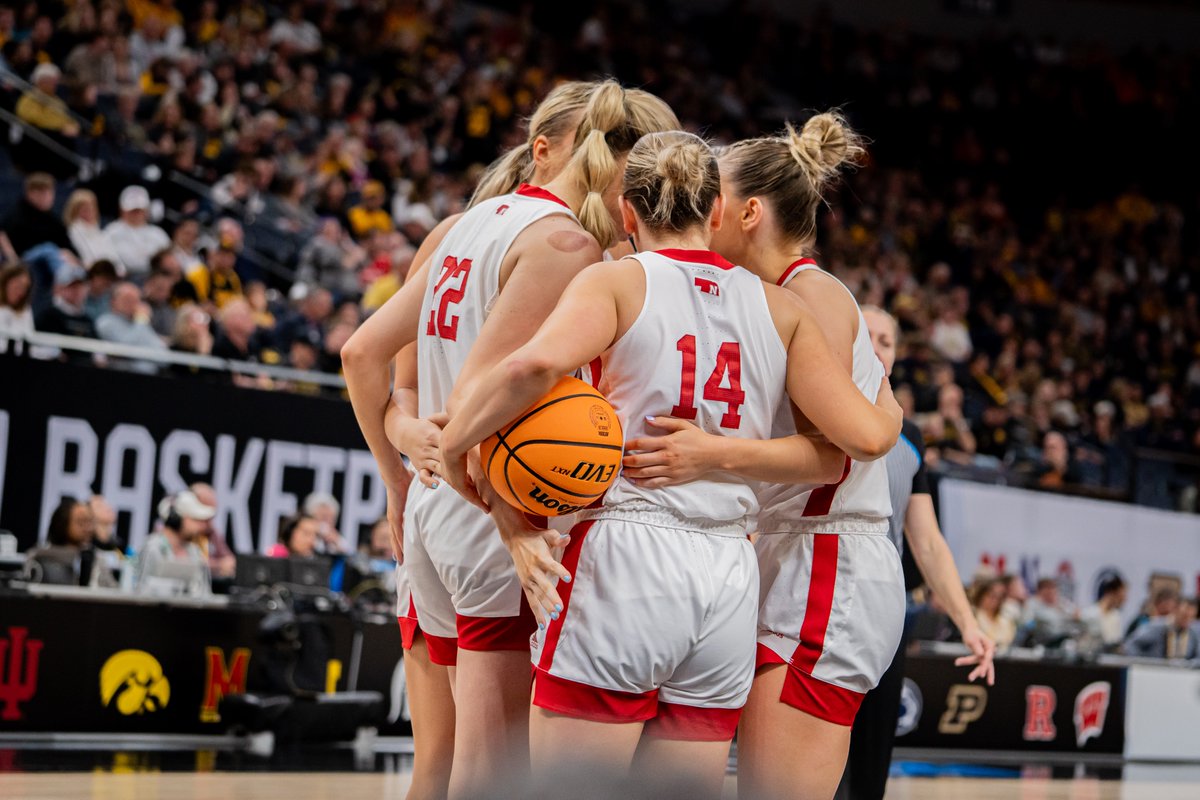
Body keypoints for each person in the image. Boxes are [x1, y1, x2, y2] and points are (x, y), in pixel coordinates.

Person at [437, 131, 901, 797]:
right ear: (715, 212)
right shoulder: (780, 307)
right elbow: (840, 448)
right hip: (729, 572)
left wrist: (457, 441)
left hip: (628, 549)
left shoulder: (618, 279)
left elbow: (531, 366)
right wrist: (891, 410)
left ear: (627, 213)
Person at [344, 80, 679, 800]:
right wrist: (513, 525)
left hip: (441, 513)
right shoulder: (567, 246)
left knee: (445, 770)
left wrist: (399, 483)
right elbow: (478, 397)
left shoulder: (468, 224)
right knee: (491, 776)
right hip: (495, 510)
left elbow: (359, 355)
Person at [616, 115, 919, 800]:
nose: (702, 208)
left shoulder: (809, 294)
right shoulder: (760, 297)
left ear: (748, 211)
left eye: (713, 194)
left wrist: (710, 455)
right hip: (788, 552)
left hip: (828, 559)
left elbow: (847, 449)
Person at [837, 306, 995, 800]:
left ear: (896, 354)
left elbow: (926, 542)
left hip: (884, 615)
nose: (877, 345)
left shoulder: (910, 435)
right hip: (816, 596)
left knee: (868, 770)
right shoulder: (813, 402)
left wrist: (969, 623)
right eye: (866, 334)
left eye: (887, 339)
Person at [136, 491, 214, 595]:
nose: (201, 527)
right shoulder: (152, 548)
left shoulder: (195, 552)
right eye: (195, 520)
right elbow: (141, 592)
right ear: (176, 519)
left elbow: (205, 595)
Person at [104, 186, 171, 278]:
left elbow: (168, 258)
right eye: (132, 210)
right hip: (124, 278)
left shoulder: (158, 234)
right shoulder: (111, 232)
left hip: (154, 277)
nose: (136, 214)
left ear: (146, 210)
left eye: (139, 210)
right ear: (122, 210)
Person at [0, 172, 73, 258]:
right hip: (27, 263)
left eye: (49, 193)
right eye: (42, 193)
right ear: (30, 194)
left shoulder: (53, 220)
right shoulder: (16, 217)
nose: (47, 197)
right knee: (48, 249)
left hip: (57, 263)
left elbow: (66, 245)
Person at [1124, 597, 1200, 660]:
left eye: (1191, 617)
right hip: (1153, 672)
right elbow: (1130, 645)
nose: (1187, 621)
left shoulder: (1193, 633)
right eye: (1184, 616)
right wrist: (1142, 663)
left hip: (1181, 674)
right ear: (1175, 610)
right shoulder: (1156, 627)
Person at [35, 263, 97, 339]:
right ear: (58, 288)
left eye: (81, 286)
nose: (78, 291)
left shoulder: (87, 319)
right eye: (72, 286)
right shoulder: (48, 316)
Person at [63, 189, 120, 268]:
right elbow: (88, 257)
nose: (90, 212)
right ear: (75, 211)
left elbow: (111, 254)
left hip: (110, 270)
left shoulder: (98, 230)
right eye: (85, 209)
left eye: (92, 207)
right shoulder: (76, 229)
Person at [1080, 574, 1128, 651]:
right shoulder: (1090, 614)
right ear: (1111, 593)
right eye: (1120, 596)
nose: (1123, 601)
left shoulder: (1116, 616)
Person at [970, 577, 1017, 650]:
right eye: (991, 596)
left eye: (999, 597)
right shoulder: (972, 615)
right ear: (981, 595)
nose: (994, 600)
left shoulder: (1005, 620)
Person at [0, 263, 35, 355]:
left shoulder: (25, 309)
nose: (20, 292)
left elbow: (28, 337)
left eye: (25, 288)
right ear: (6, 282)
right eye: (17, 286)